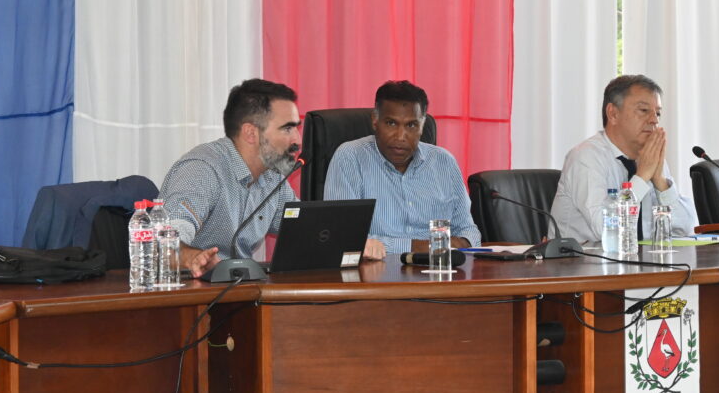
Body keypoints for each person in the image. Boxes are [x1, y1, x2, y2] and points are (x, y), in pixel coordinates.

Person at [158, 78, 307, 278]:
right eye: (287, 128)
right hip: (194, 294)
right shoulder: (203, 169)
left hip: (242, 291)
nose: (297, 140)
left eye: (297, 128)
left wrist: (351, 241)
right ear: (251, 133)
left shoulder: (273, 178)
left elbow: (304, 230)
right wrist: (191, 257)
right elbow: (164, 242)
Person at [323, 80, 481, 256]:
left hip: (437, 273)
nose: (400, 136)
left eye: (411, 125)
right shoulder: (350, 157)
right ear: (375, 120)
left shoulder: (444, 162)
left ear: (422, 126)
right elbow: (344, 236)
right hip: (376, 273)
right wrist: (420, 247)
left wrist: (459, 242)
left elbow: (468, 230)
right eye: (391, 123)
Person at [551, 74, 696, 244]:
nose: (654, 120)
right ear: (613, 114)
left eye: (658, 113)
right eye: (643, 111)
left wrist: (661, 183)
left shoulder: (651, 158)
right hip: (583, 267)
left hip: (643, 265)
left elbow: (686, 229)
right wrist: (641, 178)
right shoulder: (586, 157)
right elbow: (604, 230)